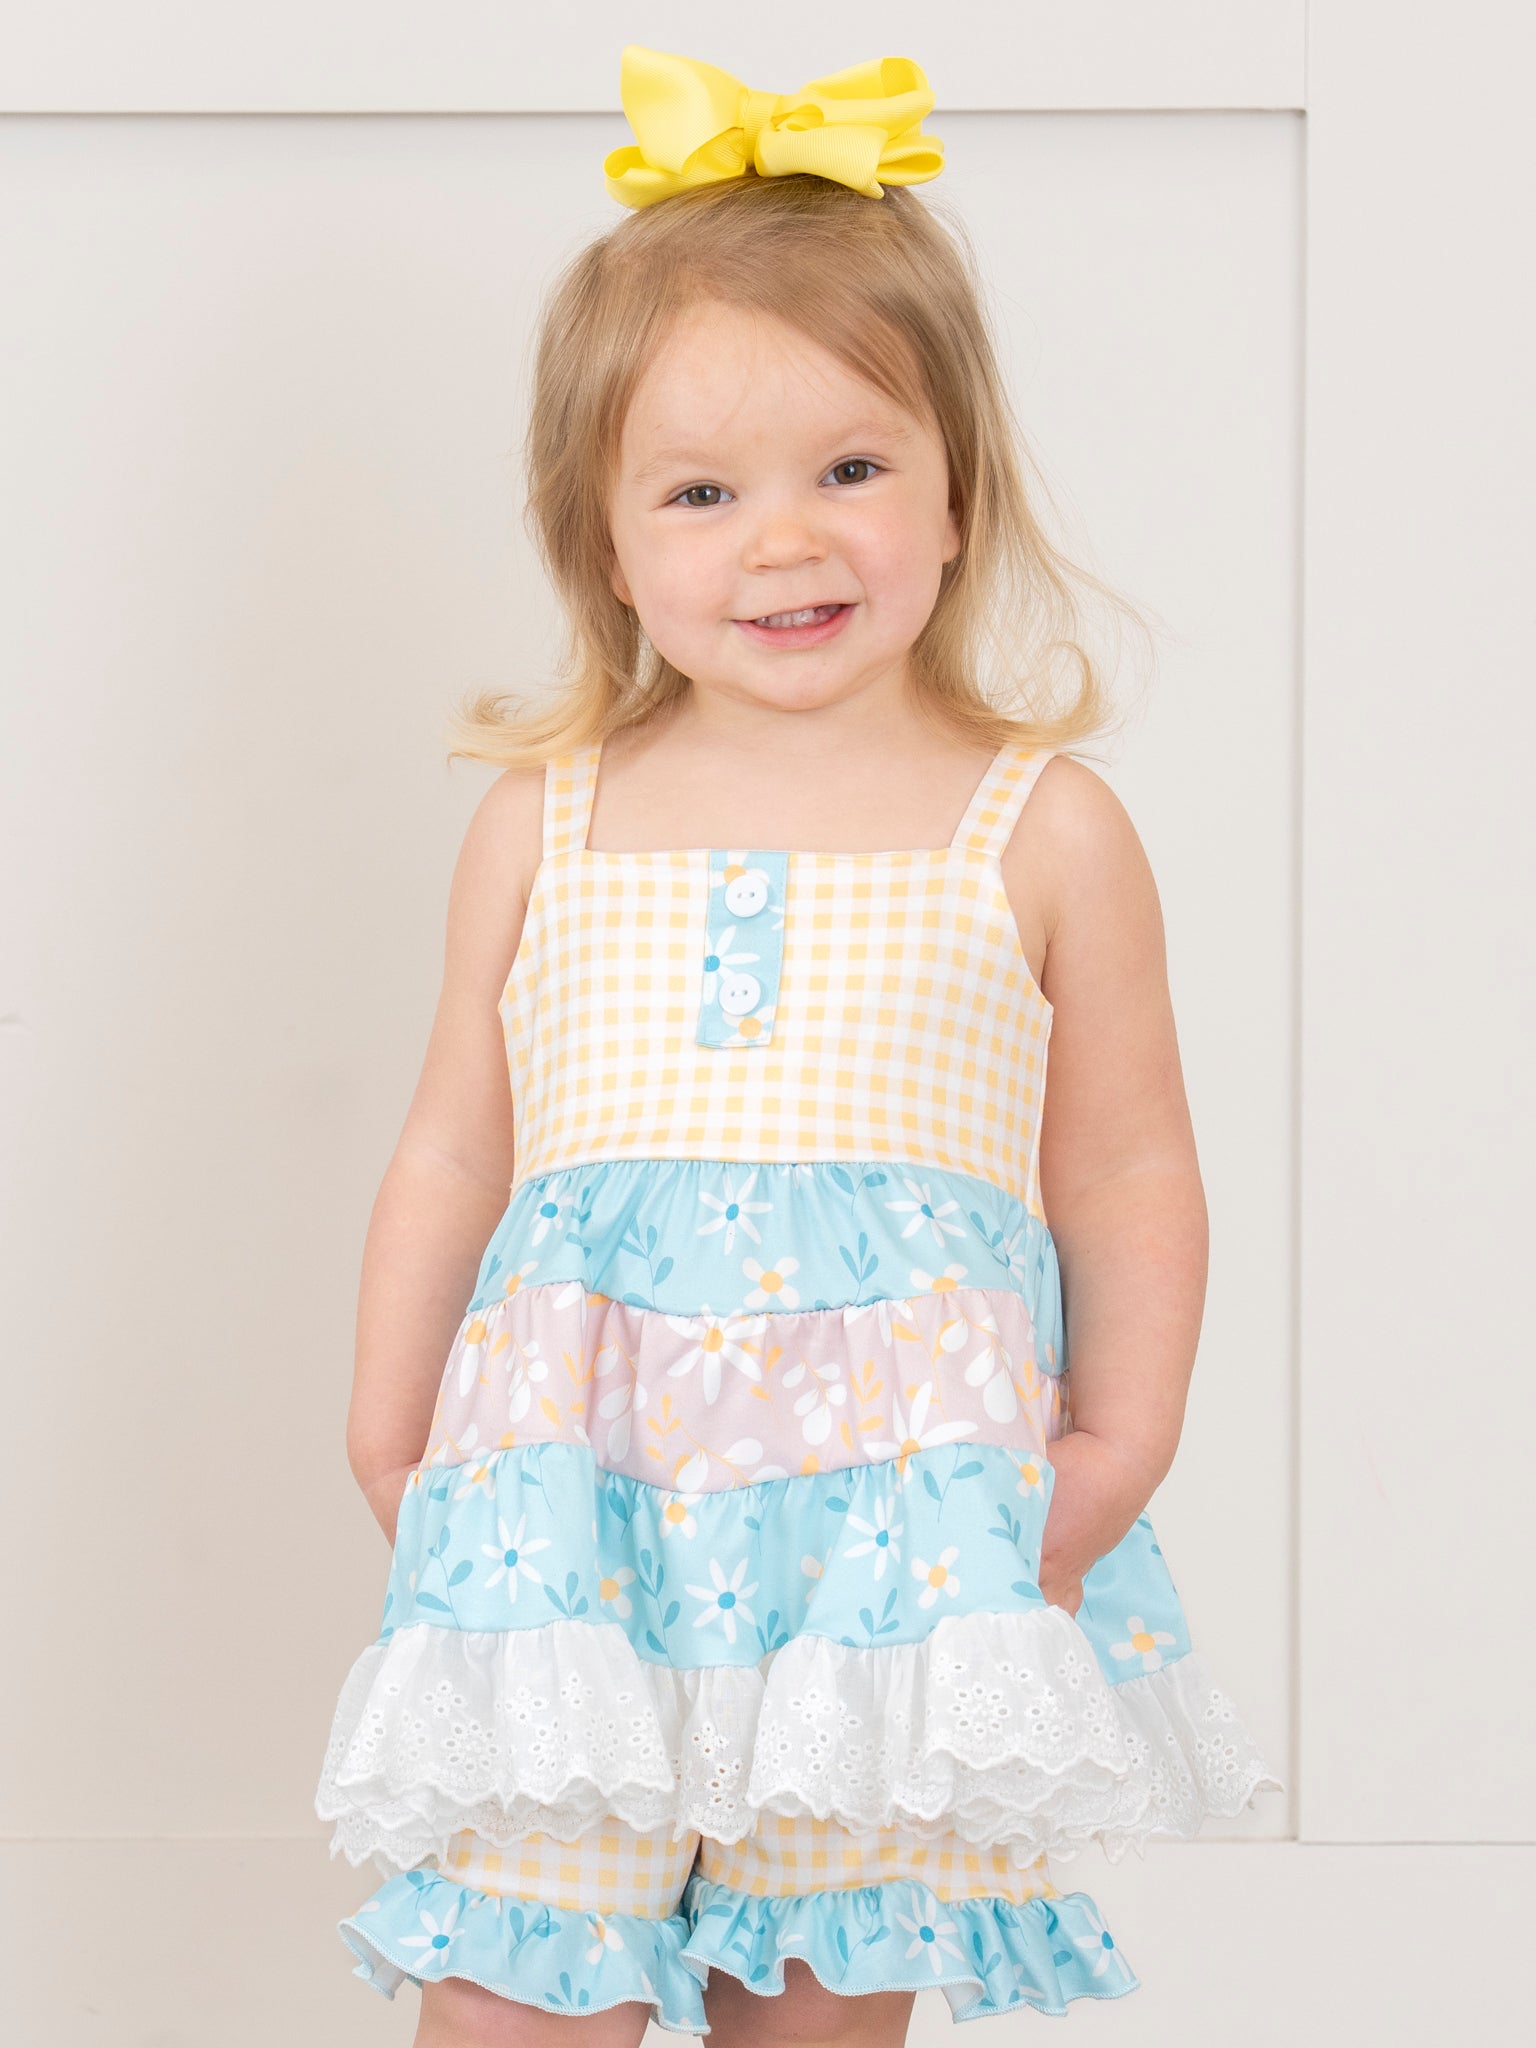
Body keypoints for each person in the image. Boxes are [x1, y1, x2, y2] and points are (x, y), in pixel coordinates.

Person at [316, 42, 1283, 2047]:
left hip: (891, 1536)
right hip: (569, 1507)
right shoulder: (549, 821)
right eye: (702, 492)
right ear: (604, 540)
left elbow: (1126, 1163)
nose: (784, 541)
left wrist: (1121, 1438)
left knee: (822, 1998)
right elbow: (454, 1149)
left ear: (959, 491)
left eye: (850, 470)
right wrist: (393, 1425)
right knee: (507, 1984)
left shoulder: (1041, 829)